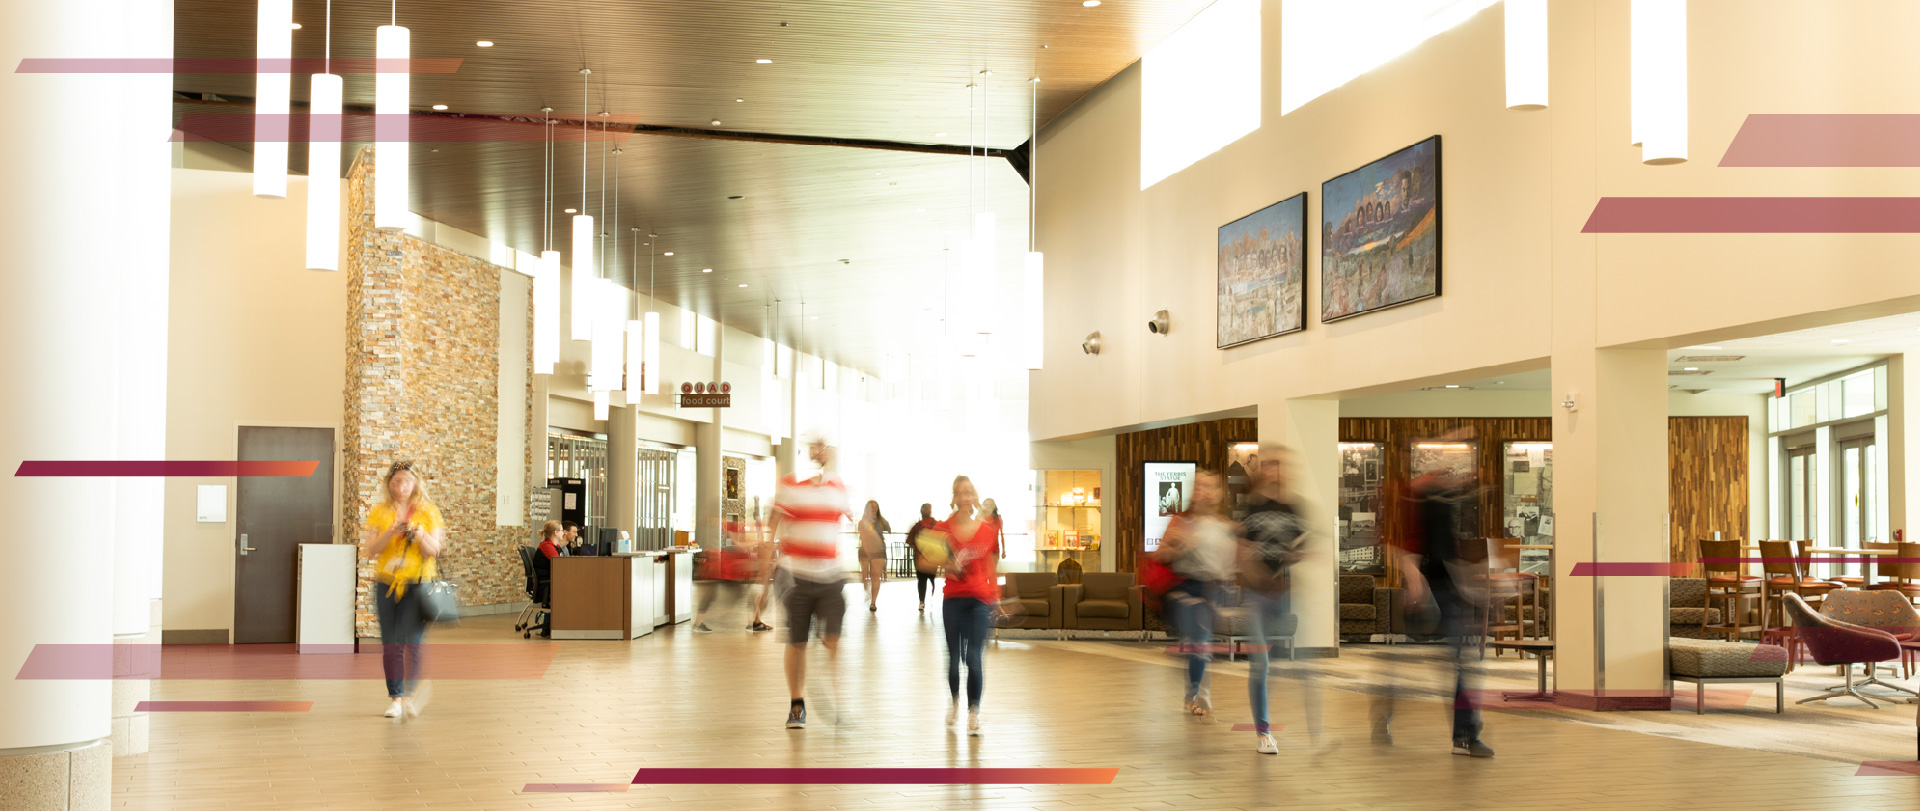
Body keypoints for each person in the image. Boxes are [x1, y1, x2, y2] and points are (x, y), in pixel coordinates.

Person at [1376, 464, 1494, 758]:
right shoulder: (1420, 498)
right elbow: (1404, 545)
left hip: (1446, 589)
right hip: (1426, 587)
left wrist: (1467, 586)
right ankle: (1382, 715)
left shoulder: (1446, 504)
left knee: (1459, 662)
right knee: (1400, 662)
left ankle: (1465, 735)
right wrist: (1414, 579)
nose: (1457, 476)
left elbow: (1449, 553)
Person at [1239, 456, 1323, 755]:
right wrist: (1257, 576)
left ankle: (1317, 738)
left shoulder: (1293, 507)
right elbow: (1243, 550)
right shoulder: (1252, 506)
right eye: (1270, 467)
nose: (1276, 472)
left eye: (1280, 467)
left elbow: (1302, 545)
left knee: (1301, 663)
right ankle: (1263, 733)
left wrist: (1300, 555)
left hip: (1284, 593)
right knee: (1261, 664)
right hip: (1256, 594)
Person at [774, 433, 852, 729]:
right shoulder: (789, 486)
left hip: (831, 577)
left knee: (833, 639)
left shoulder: (837, 487)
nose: (820, 451)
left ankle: (837, 698)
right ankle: (797, 704)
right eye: (814, 446)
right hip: (798, 578)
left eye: (825, 447)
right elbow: (773, 529)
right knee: (797, 643)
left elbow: (850, 516)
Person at [359, 460, 445, 719]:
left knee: (413, 643)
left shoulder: (429, 512)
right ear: (389, 484)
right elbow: (371, 550)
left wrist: (419, 534)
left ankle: (410, 696)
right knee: (391, 644)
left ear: (416, 482)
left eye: (406, 480)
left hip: (418, 584)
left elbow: (435, 551)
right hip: (387, 583)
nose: (401, 486)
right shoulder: (380, 512)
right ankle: (395, 699)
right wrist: (390, 531)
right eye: (396, 481)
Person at [1154, 469, 1236, 722]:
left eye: (1209, 486)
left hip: (1212, 590)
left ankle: (1192, 694)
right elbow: (1160, 556)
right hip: (1186, 589)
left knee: (1200, 644)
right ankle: (1197, 697)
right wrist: (1179, 545)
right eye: (1198, 486)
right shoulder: (1181, 522)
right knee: (1200, 639)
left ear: (1218, 493)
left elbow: (1229, 563)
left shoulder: (1224, 525)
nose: (1202, 491)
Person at [935, 475, 1000, 736]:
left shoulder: (986, 531)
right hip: (952, 600)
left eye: (969, 493)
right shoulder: (942, 529)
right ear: (954, 498)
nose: (965, 497)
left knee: (973, 658)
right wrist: (946, 565)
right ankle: (954, 702)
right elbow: (925, 562)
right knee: (953, 660)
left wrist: (995, 597)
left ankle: (974, 711)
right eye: (960, 493)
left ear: (974, 498)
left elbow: (992, 567)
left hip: (979, 601)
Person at [856, 501, 891, 612]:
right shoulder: (862, 522)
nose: (873, 509)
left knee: (876, 577)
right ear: (867, 508)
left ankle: (873, 602)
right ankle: (866, 588)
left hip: (878, 551)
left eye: (875, 507)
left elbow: (889, 529)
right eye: (871, 507)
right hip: (865, 550)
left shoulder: (881, 521)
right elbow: (862, 534)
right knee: (865, 576)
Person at [905, 504, 937, 611]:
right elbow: (909, 541)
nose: (926, 510)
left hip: (932, 558)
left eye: (927, 508)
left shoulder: (935, 524)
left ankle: (931, 599)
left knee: (932, 579)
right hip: (920, 558)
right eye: (924, 508)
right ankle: (922, 601)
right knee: (922, 580)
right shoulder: (917, 526)